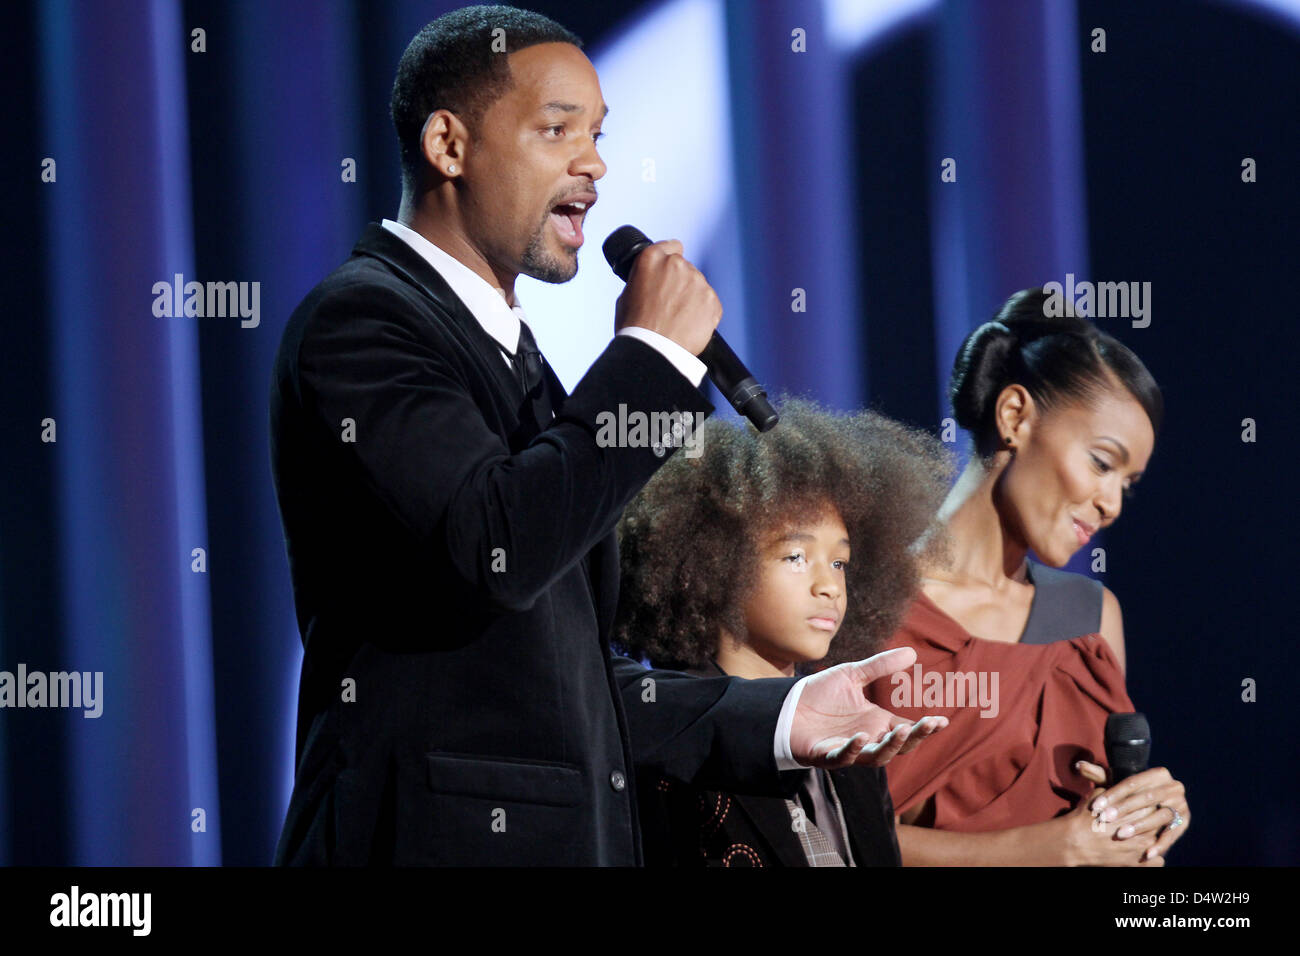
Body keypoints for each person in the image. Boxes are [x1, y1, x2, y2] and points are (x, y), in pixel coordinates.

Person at [268, 5, 945, 866]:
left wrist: (780, 715)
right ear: (449, 145)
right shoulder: (362, 322)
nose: (595, 164)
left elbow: (575, 679)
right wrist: (654, 356)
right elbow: (495, 547)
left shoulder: (524, 364)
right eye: (558, 131)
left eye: (598, 133)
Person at [868, 289, 1191, 865]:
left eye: (1128, 483)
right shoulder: (865, 604)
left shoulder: (1088, 617)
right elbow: (825, 836)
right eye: (1101, 462)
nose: (1112, 503)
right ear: (1015, 415)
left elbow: (1098, 817)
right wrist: (1051, 849)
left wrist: (1141, 814)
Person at [616, 400, 953, 866]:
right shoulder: (669, 740)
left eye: (840, 562)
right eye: (796, 557)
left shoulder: (854, 745)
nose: (829, 586)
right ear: (710, 561)